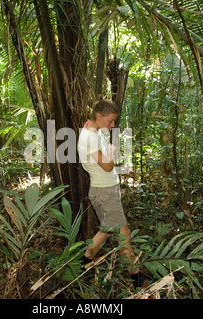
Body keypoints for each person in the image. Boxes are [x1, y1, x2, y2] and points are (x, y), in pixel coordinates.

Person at [77, 98, 143, 286]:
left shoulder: (92, 130)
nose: (113, 125)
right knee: (124, 233)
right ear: (99, 116)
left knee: (106, 230)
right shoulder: (89, 137)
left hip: (106, 190)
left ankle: (84, 263)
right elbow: (107, 165)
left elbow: (89, 126)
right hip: (104, 192)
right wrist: (113, 151)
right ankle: (135, 275)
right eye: (110, 121)